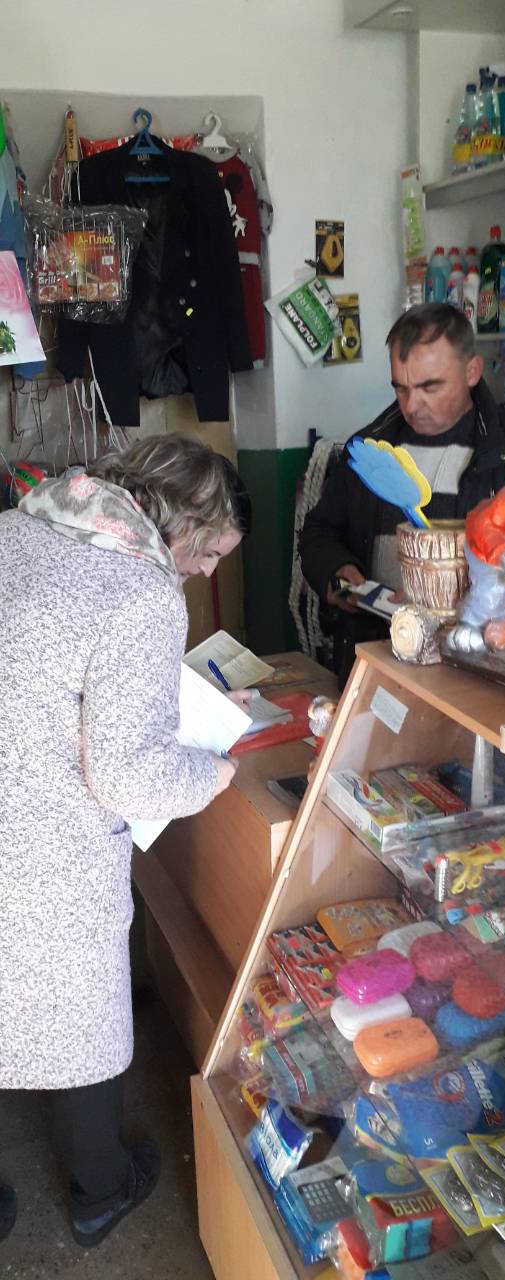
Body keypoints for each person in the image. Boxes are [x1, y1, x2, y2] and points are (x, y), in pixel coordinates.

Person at [0, 435, 251, 1248]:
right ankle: (101, 1191)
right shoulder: (141, 590)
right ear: (186, 522)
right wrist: (212, 773)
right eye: (211, 551)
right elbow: (128, 776)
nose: (205, 571)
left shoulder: (22, 526)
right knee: (78, 1014)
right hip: (49, 847)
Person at [299, 303, 505, 686]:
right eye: (400, 388)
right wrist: (338, 576)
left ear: (471, 372)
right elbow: (318, 533)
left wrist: (448, 595)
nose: (411, 405)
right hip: (377, 654)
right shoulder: (369, 449)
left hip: (477, 665)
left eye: (429, 387)